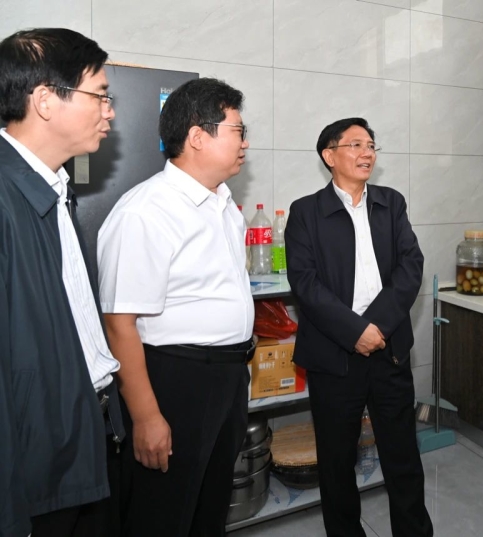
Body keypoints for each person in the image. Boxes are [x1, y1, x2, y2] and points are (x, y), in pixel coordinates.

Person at [97, 77, 254, 537]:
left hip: (228, 376)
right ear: (198, 136)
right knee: (163, 515)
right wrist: (147, 417)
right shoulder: (145, 211)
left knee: (210, 509)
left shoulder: (224, 206)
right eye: (238, 130)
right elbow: (119, 324)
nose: (245, 143)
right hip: (175, 380)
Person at [0, 28, 124, 537]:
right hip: (37, 466)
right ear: (46, 100)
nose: (109, 112)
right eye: (99, 95)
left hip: (84, 435)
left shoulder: (53, 188)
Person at [285, 117, 433, 537]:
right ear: (329, 155)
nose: (367, 153)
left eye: (371, 145)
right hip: (334, 357)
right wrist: (354, 331)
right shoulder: (306, 212)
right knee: (336, 463)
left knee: (403, 457)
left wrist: (377, 327)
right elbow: (305, 284)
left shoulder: (390, 203)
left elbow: (411, 265)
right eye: (355, 145)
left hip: (388, 350)